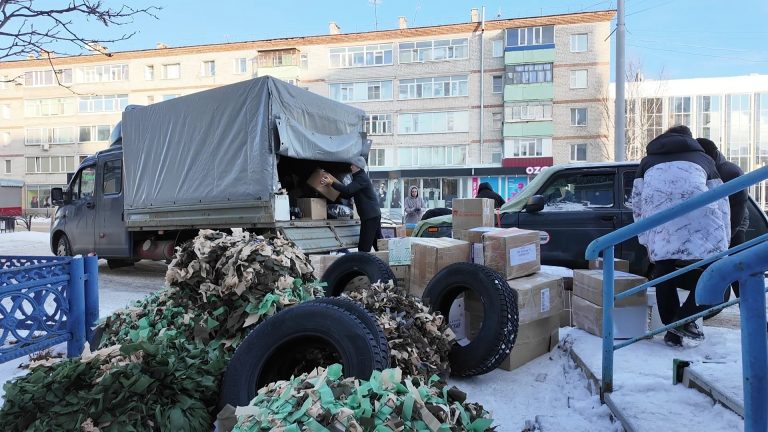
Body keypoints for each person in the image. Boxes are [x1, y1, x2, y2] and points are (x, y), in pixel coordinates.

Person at [632, 125, 730, 347]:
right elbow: (721, 199)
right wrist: (724, 239)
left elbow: (637, 203)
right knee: (718, 275)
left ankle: (673, 330)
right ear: (690, 139)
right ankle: (683, 321)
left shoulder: (646, 162)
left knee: (663, 271)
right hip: (703, 221)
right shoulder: (704, 159)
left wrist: (645, 238)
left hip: (660, 223)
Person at [697, 137, 749, 297]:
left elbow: (737, 210)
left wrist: (726, 238)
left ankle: (754, 315)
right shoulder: (714, 169)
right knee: (727, 274)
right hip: (718, 229)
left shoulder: (728, 172)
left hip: (732, 230)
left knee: (736, 274)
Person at [320, 157, 381, 252]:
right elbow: (347, 194)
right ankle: (385, 263)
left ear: (358, 167)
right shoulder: (358, 178)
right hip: (372, 214)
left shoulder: (361, 178)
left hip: (370, 216)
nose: (351, 166)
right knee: (378, 243)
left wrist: (331, 182)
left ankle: (362, 265)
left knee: (364, 247)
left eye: (353, 165)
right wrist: (332, 188)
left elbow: (348, 190)